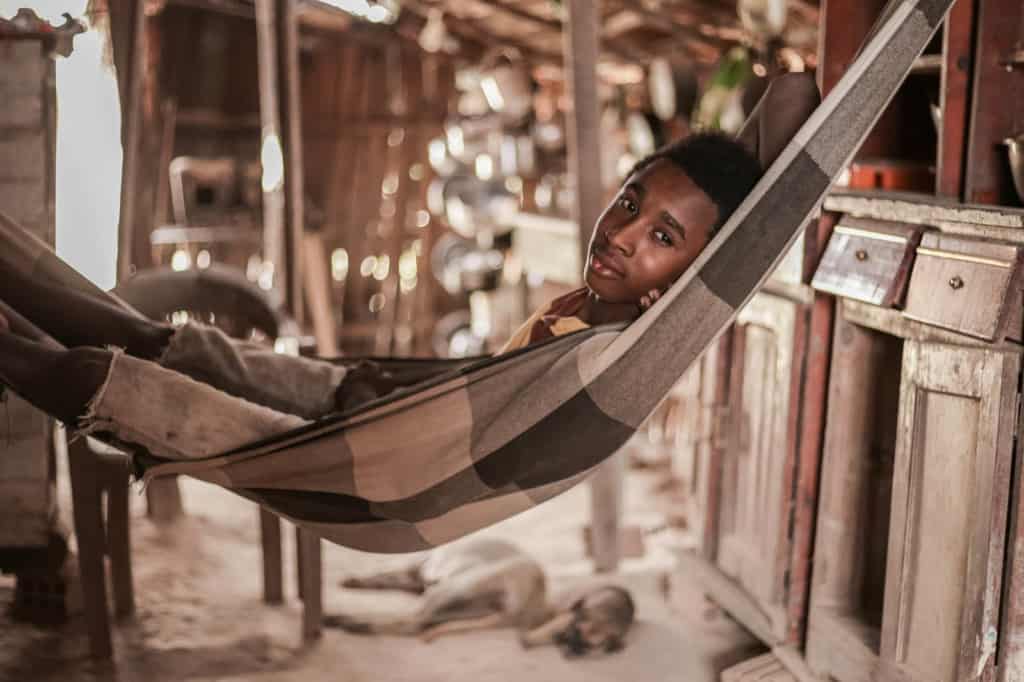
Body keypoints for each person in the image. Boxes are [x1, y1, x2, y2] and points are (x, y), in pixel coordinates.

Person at [0, 72, 819, 462]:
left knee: (136, 379)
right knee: (157, 347)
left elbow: (792, 93)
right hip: (373, 400)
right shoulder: (607, 304)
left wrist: (729, 246)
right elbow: (787, 96)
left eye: (662, 239)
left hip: (368, 438)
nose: (624, 232)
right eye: (633, 200)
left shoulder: (623, 340)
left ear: (686, 278)